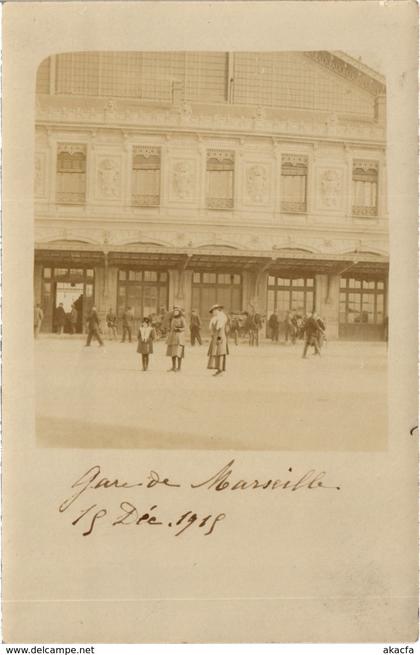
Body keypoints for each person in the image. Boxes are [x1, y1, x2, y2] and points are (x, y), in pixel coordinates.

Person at [207, 304, 229, 376]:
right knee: (216, 353)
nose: (213, 313)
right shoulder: (215, 319)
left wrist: (219, 339)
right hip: (216, 337)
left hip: (220, 338)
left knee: (220, 354)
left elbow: (221, 331)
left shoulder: (221, 319)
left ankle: (220, 370)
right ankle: (218, 370)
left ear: (216, 310)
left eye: (213, 311)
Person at [166, 306, 186, 372]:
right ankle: (173, 367)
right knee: (173, 353)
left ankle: (179, 368)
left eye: (177, 311)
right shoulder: (173, 319)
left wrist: (178, 329)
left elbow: (185, 328)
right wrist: (169, 329)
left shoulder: (182, 318)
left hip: (179, 338)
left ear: (179, 312)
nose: (175, 312)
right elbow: (170, 327)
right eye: (174, 311)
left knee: (178, 353)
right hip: (172, 337)